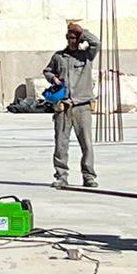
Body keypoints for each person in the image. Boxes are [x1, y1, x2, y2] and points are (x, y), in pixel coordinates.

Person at [45, 20, 100, 189]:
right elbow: (47, 70)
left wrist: (82, 32)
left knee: (86, 144)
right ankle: (61, 176)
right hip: (64, 106)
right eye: (70, 37)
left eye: (75, 38)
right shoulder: (59, 57)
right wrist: (53, 78)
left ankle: (88, 175)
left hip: (82, 105)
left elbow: (96, 43)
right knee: (61, 143)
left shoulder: (86, 55)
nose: (72, 41)